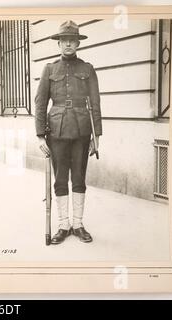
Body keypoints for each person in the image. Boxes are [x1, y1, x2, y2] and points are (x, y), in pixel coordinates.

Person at [35, 20, 102, 245]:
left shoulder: (88, 69)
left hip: (82, 133)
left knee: (79, 179)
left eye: (73, 41)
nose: (69, 45)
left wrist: (97, 136)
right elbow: (40, 103)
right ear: (59, 43)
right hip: (57, 133)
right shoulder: (49, 69)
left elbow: (95, 103)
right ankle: (63, 225)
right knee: (60, 179)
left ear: (78, 43)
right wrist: (40, 135)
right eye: (65, 41)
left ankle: (78, 224)